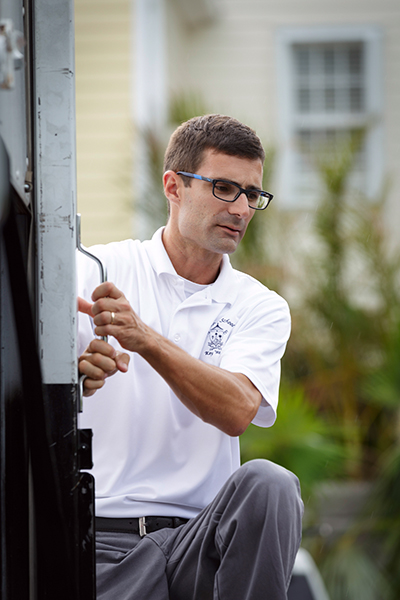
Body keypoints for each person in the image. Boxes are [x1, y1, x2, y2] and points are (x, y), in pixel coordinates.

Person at [77, 114, 303, 600]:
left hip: (198, 543)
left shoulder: (259, 305)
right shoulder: (93, 270)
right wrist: (74, 378)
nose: (241, 209)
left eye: (252, 194)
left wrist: (146, 339)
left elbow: (239, 409)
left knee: (271, 482)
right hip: (99, 541)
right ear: (173, 186)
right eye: (224, 187)